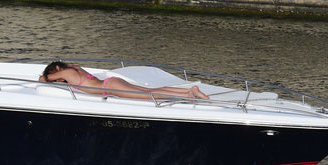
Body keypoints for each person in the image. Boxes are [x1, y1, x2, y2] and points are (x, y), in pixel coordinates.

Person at [39, 60, 208, 100]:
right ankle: (188, 90)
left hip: (110, 87)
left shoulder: (66, 73)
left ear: (57, 70)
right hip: (109, 84)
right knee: (148, 92)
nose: (58, 80)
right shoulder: (75, 68)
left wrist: (49, 76)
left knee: (148, 95)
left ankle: (187, 94)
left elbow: (43, 78)